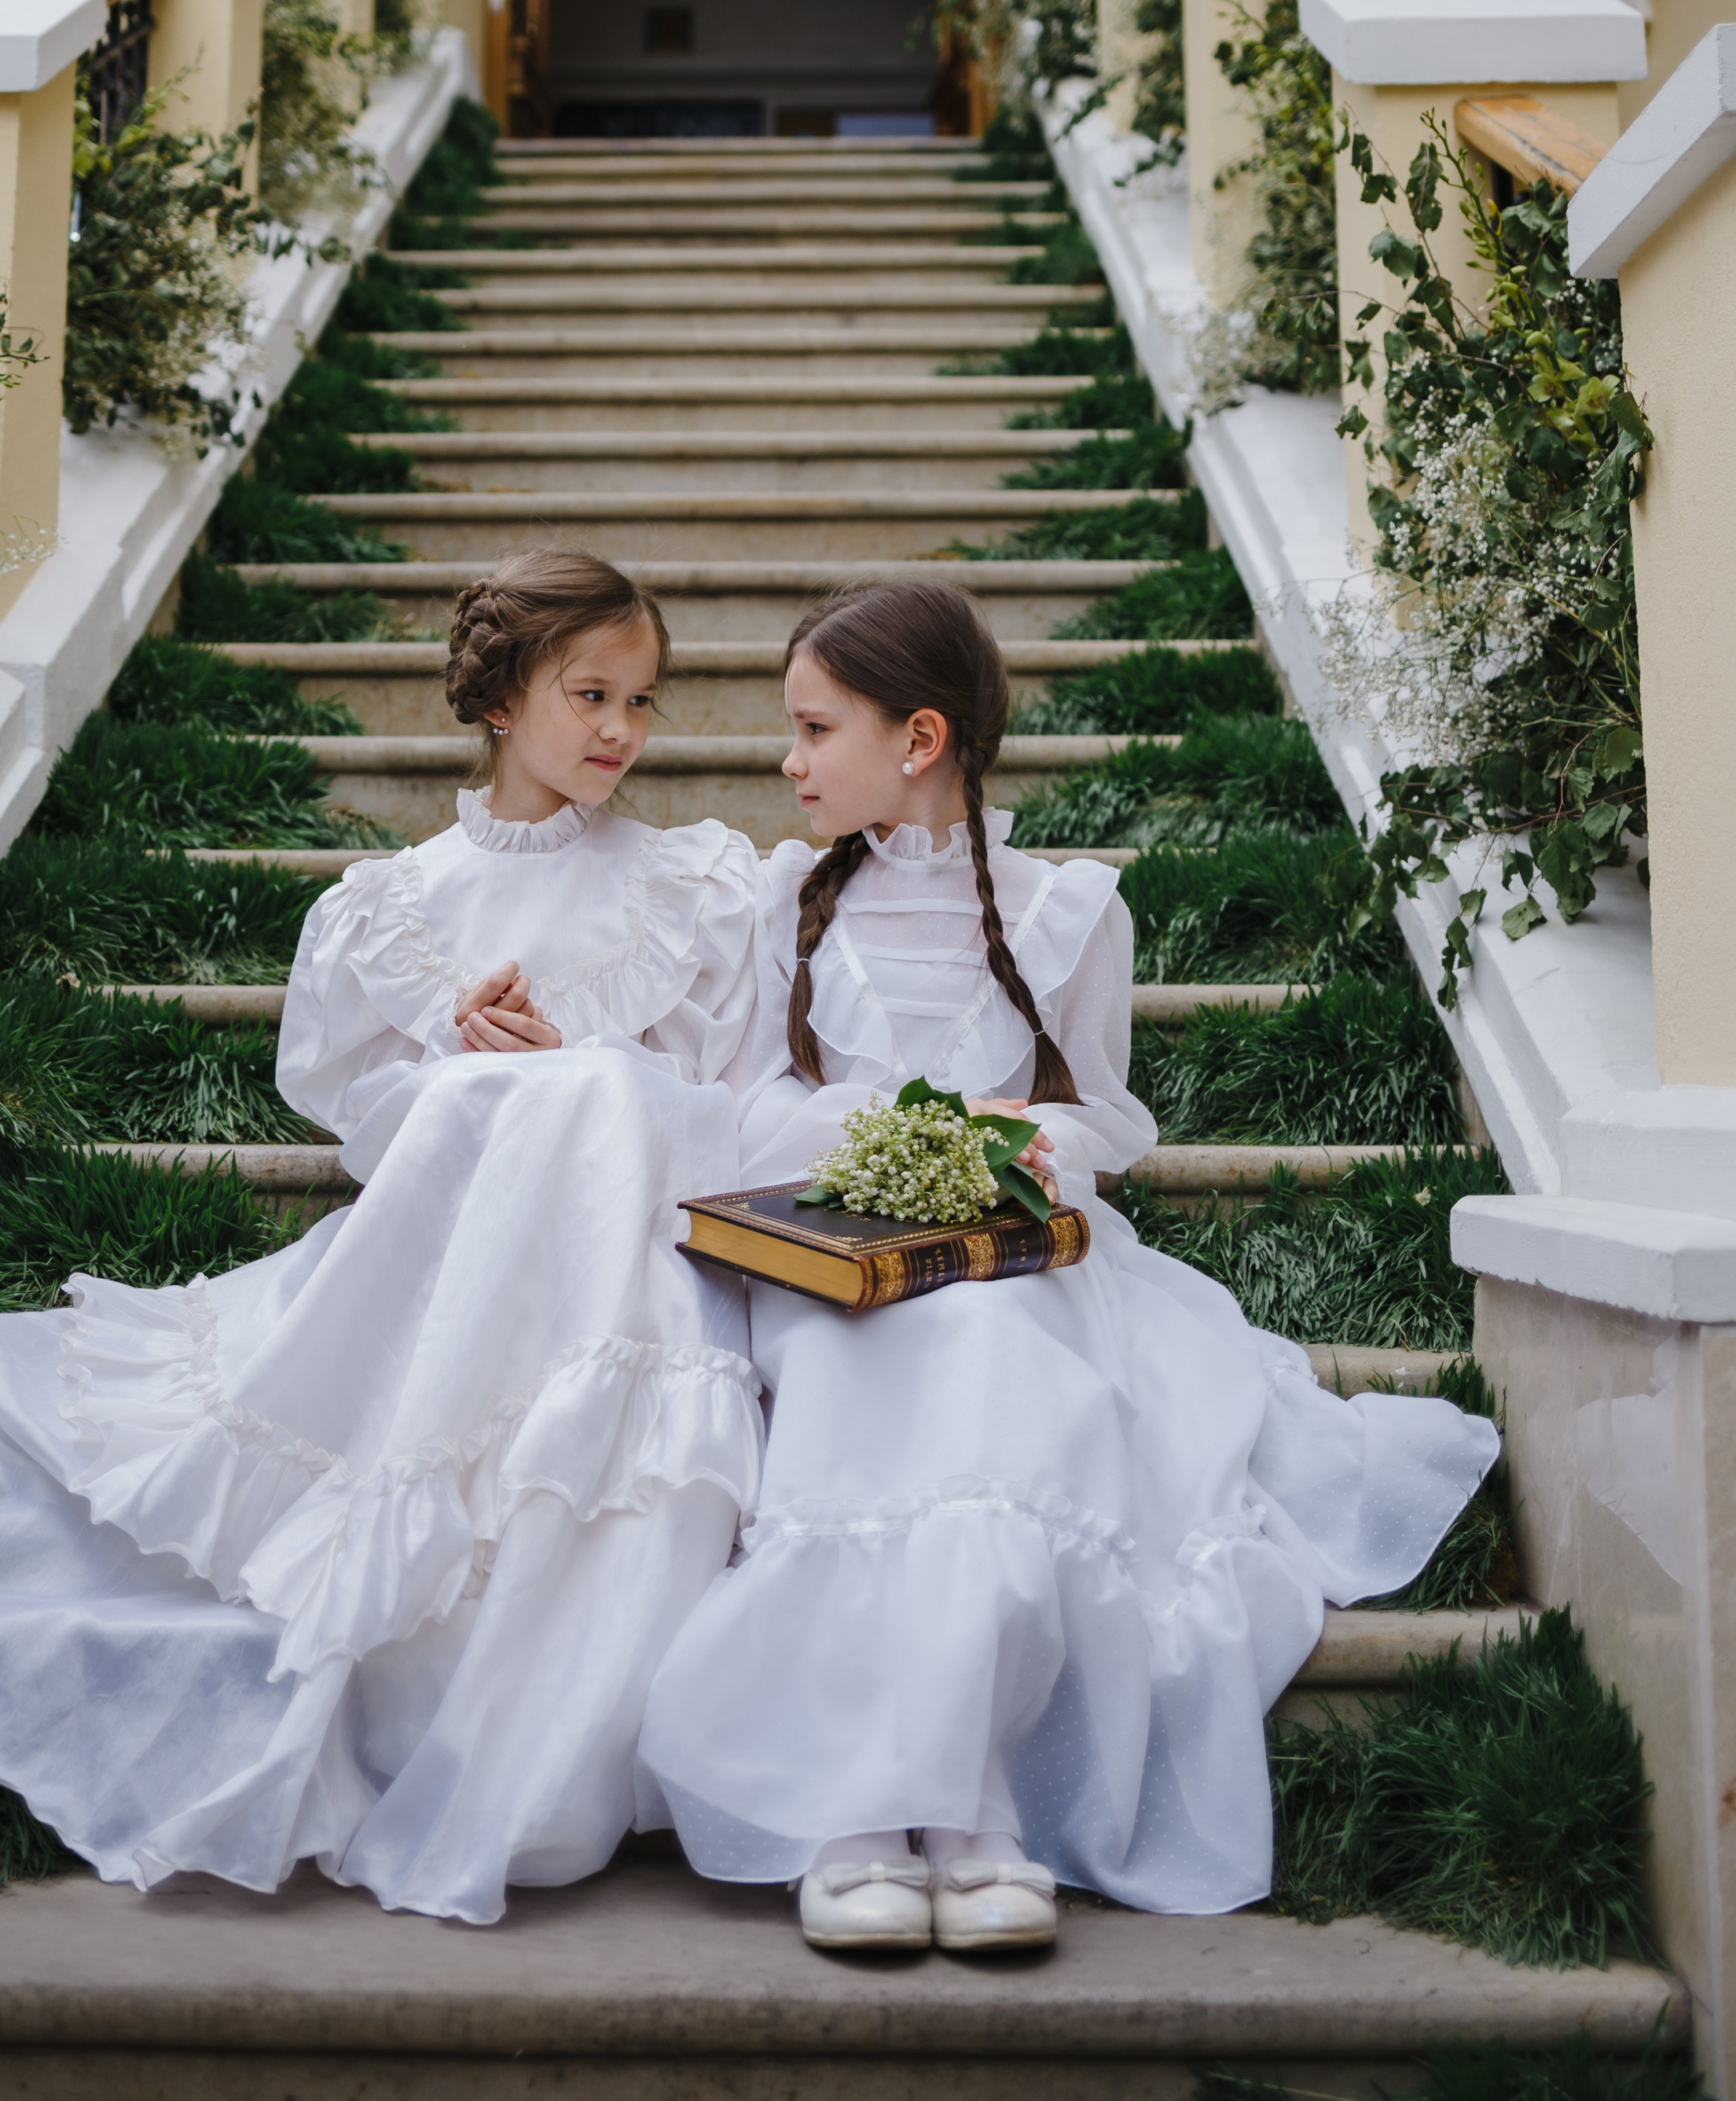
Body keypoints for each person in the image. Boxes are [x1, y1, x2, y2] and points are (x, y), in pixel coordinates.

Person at [0, 550, 765, 1925]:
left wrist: (570, 1058)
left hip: (617, 1255)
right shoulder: (393, 907)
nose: (617, 730)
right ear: (497, 698)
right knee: (496, 1096)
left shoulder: (690, 887)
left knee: (592, 1111)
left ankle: (560, 1645)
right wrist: (458, 1064)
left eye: (642, 703)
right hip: (454, 1253)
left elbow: (720, 1105)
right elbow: (370, 1126)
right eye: (588, 693)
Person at [637, 579, 1499, 1956]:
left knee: (987, 1356)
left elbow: (1098, 1112)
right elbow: (734, 1102)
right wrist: (881, 1138)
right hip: (831, 1264)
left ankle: (975, 1810)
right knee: (874, 1365)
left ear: (919, 739)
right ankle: (861, 1810)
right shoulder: (781, 898)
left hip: (1009, 1259)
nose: (788, 763)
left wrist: (1016, 1150)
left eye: (813, 730)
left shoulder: (1068, 911)